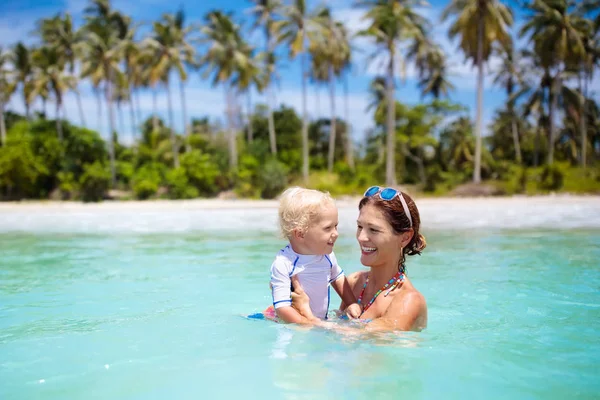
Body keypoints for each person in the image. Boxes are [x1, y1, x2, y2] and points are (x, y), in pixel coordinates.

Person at [290, 186, 428, 332]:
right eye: (359, 226)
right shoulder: (355, 283)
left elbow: (359, 336)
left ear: (405, 237)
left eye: (373, 230)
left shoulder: (409, 301)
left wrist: (307, 317)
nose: (361, 237)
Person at [266, 187, 362, 323]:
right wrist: (308, 324)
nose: (336, 233)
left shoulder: (327, 256)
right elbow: (282, 308)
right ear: (300, 234)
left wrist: (351, 302)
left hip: (317, 320)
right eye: (328, 228)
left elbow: (338, 277)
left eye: (336, 226)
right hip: (293, 323)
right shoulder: (284, 263)